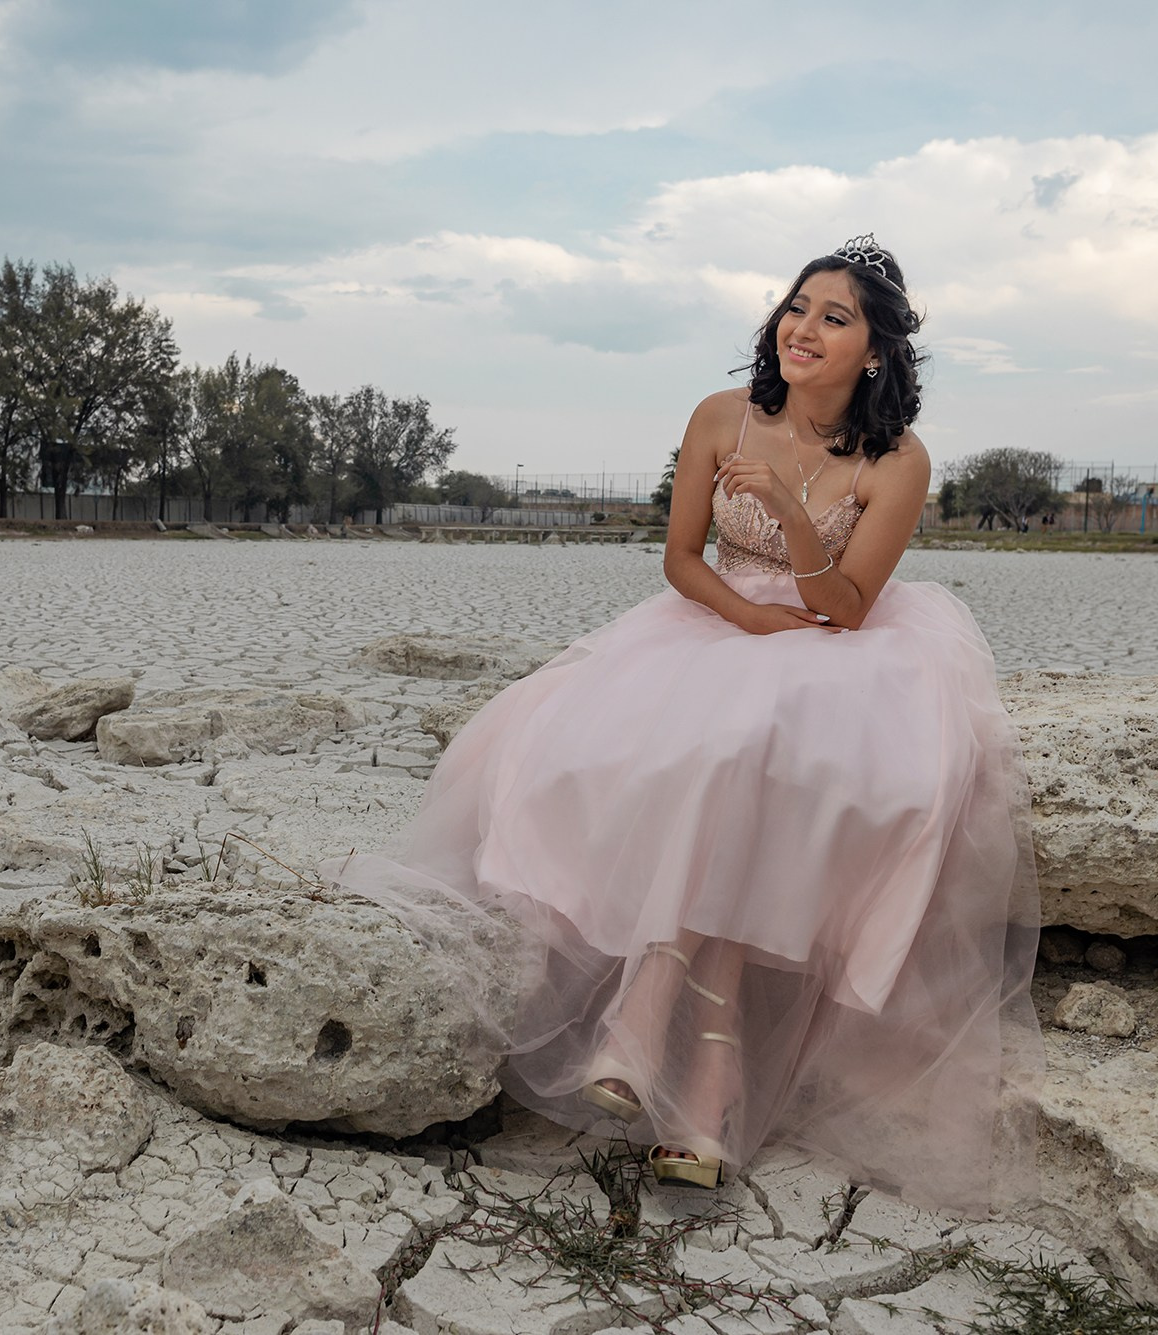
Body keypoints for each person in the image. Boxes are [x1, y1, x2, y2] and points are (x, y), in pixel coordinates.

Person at [326, 236, 1040, 1216]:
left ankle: (650, 1012)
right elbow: (680, 558)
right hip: (713, 621)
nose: (801, 328)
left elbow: (847, 605)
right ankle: (705, 1078)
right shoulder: (718, 415)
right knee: (685, 751)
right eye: (796, 307)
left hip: (836, 644)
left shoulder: (898, 460)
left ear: (874, 353)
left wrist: (790, 515)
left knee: (749, 754)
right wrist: (745, 618)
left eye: (833, 318)